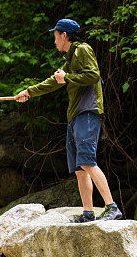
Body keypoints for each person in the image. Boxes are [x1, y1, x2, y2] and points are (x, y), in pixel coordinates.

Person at [15, 18, 123, 221]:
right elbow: (53, 82)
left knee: (88, 162)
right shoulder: (70, 59)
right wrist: (28, 92)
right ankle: (88, 213)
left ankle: (112, 207)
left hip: (87, 113)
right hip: (75, 116)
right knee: (79, 168)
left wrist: (67, 78)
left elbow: (93, 75)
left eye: (56, 36)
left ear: (64, 35)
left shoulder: (82, 50)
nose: (54, 41)